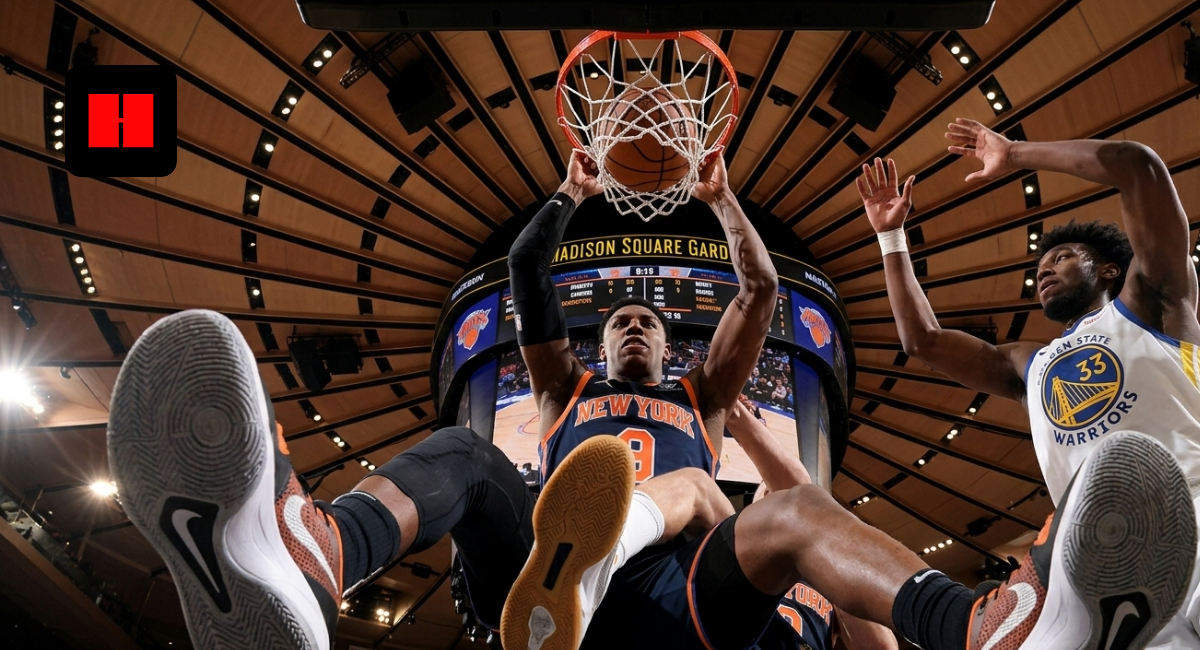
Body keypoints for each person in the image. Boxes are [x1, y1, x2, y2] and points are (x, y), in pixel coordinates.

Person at [857, 119, 1200, 648]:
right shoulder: (1029, 363)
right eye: (1040, 264)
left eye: (1062, 258)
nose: (1045, 270)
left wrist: (1013, 152)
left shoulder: (1152, 302)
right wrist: (890, 236)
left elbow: (1140, 168)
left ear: (1109, 269)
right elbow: (922, 339)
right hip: (1103, 568)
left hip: (1193, 516)